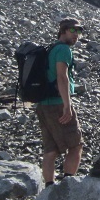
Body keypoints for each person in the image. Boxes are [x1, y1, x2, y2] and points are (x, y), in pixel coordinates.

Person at [35, 17, 84, 185]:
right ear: (63, 30)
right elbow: (62, 77)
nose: (76, 35)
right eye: (73, 30)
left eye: (79, 31)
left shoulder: (51, 49)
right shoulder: (63, 49)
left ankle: (49, 187)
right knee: (76, 144)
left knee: (50, 149)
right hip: (57, 103)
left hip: (43, 104)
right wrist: (67, 105)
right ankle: (67, 185)